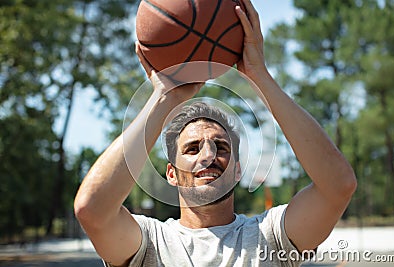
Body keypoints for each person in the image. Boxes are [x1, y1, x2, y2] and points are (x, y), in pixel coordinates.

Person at [74, 0, 357, 266]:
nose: (209, 155)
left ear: (237, 170)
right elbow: (92, 210)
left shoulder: (270, 236)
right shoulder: (151, 242)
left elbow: (338, 185)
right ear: (171, 173)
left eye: (221, 148)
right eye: (193, 148)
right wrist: (164, 97)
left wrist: (260, 77)